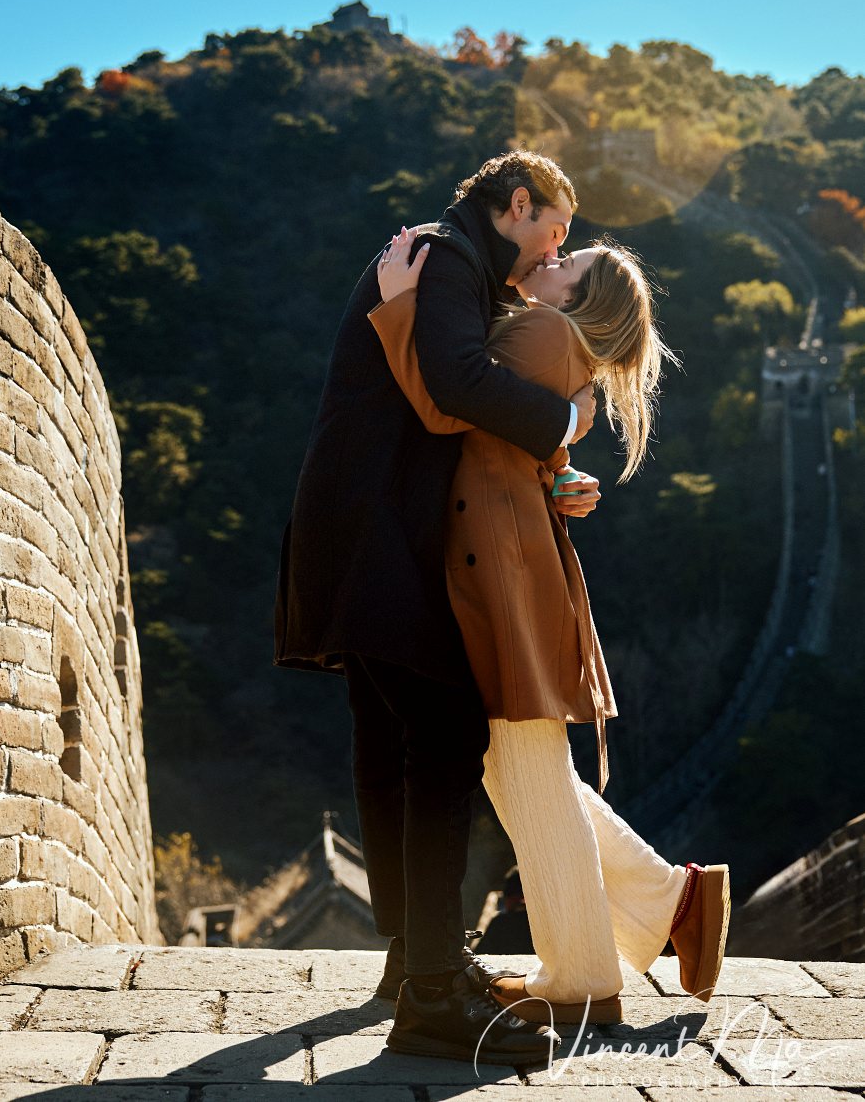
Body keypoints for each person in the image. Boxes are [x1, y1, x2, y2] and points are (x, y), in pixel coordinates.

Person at [273, 151, 597, 1064]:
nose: (556, 247)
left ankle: (415, 964)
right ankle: (432, 993)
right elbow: (454, 383)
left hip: (362, 526)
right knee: (445, 734)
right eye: (555, 228)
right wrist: (566, 421)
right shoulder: (447, 255)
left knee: (392, 739)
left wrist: (557, 474)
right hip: (373, 532)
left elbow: (444, 405)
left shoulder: (443, 260)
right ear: (518, 205)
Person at [368, 226, 731, 1023]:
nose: (554, 261)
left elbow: (444, 405)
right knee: (523, 763)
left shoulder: (540, 329)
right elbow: (515, 431)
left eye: (574, 264)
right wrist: (563, 461)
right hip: (507, 556)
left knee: (522, 770)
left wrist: (399, 308)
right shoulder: (557, 339)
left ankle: (582, 979)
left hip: (498, 565)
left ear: (582, 298)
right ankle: (675, 900)